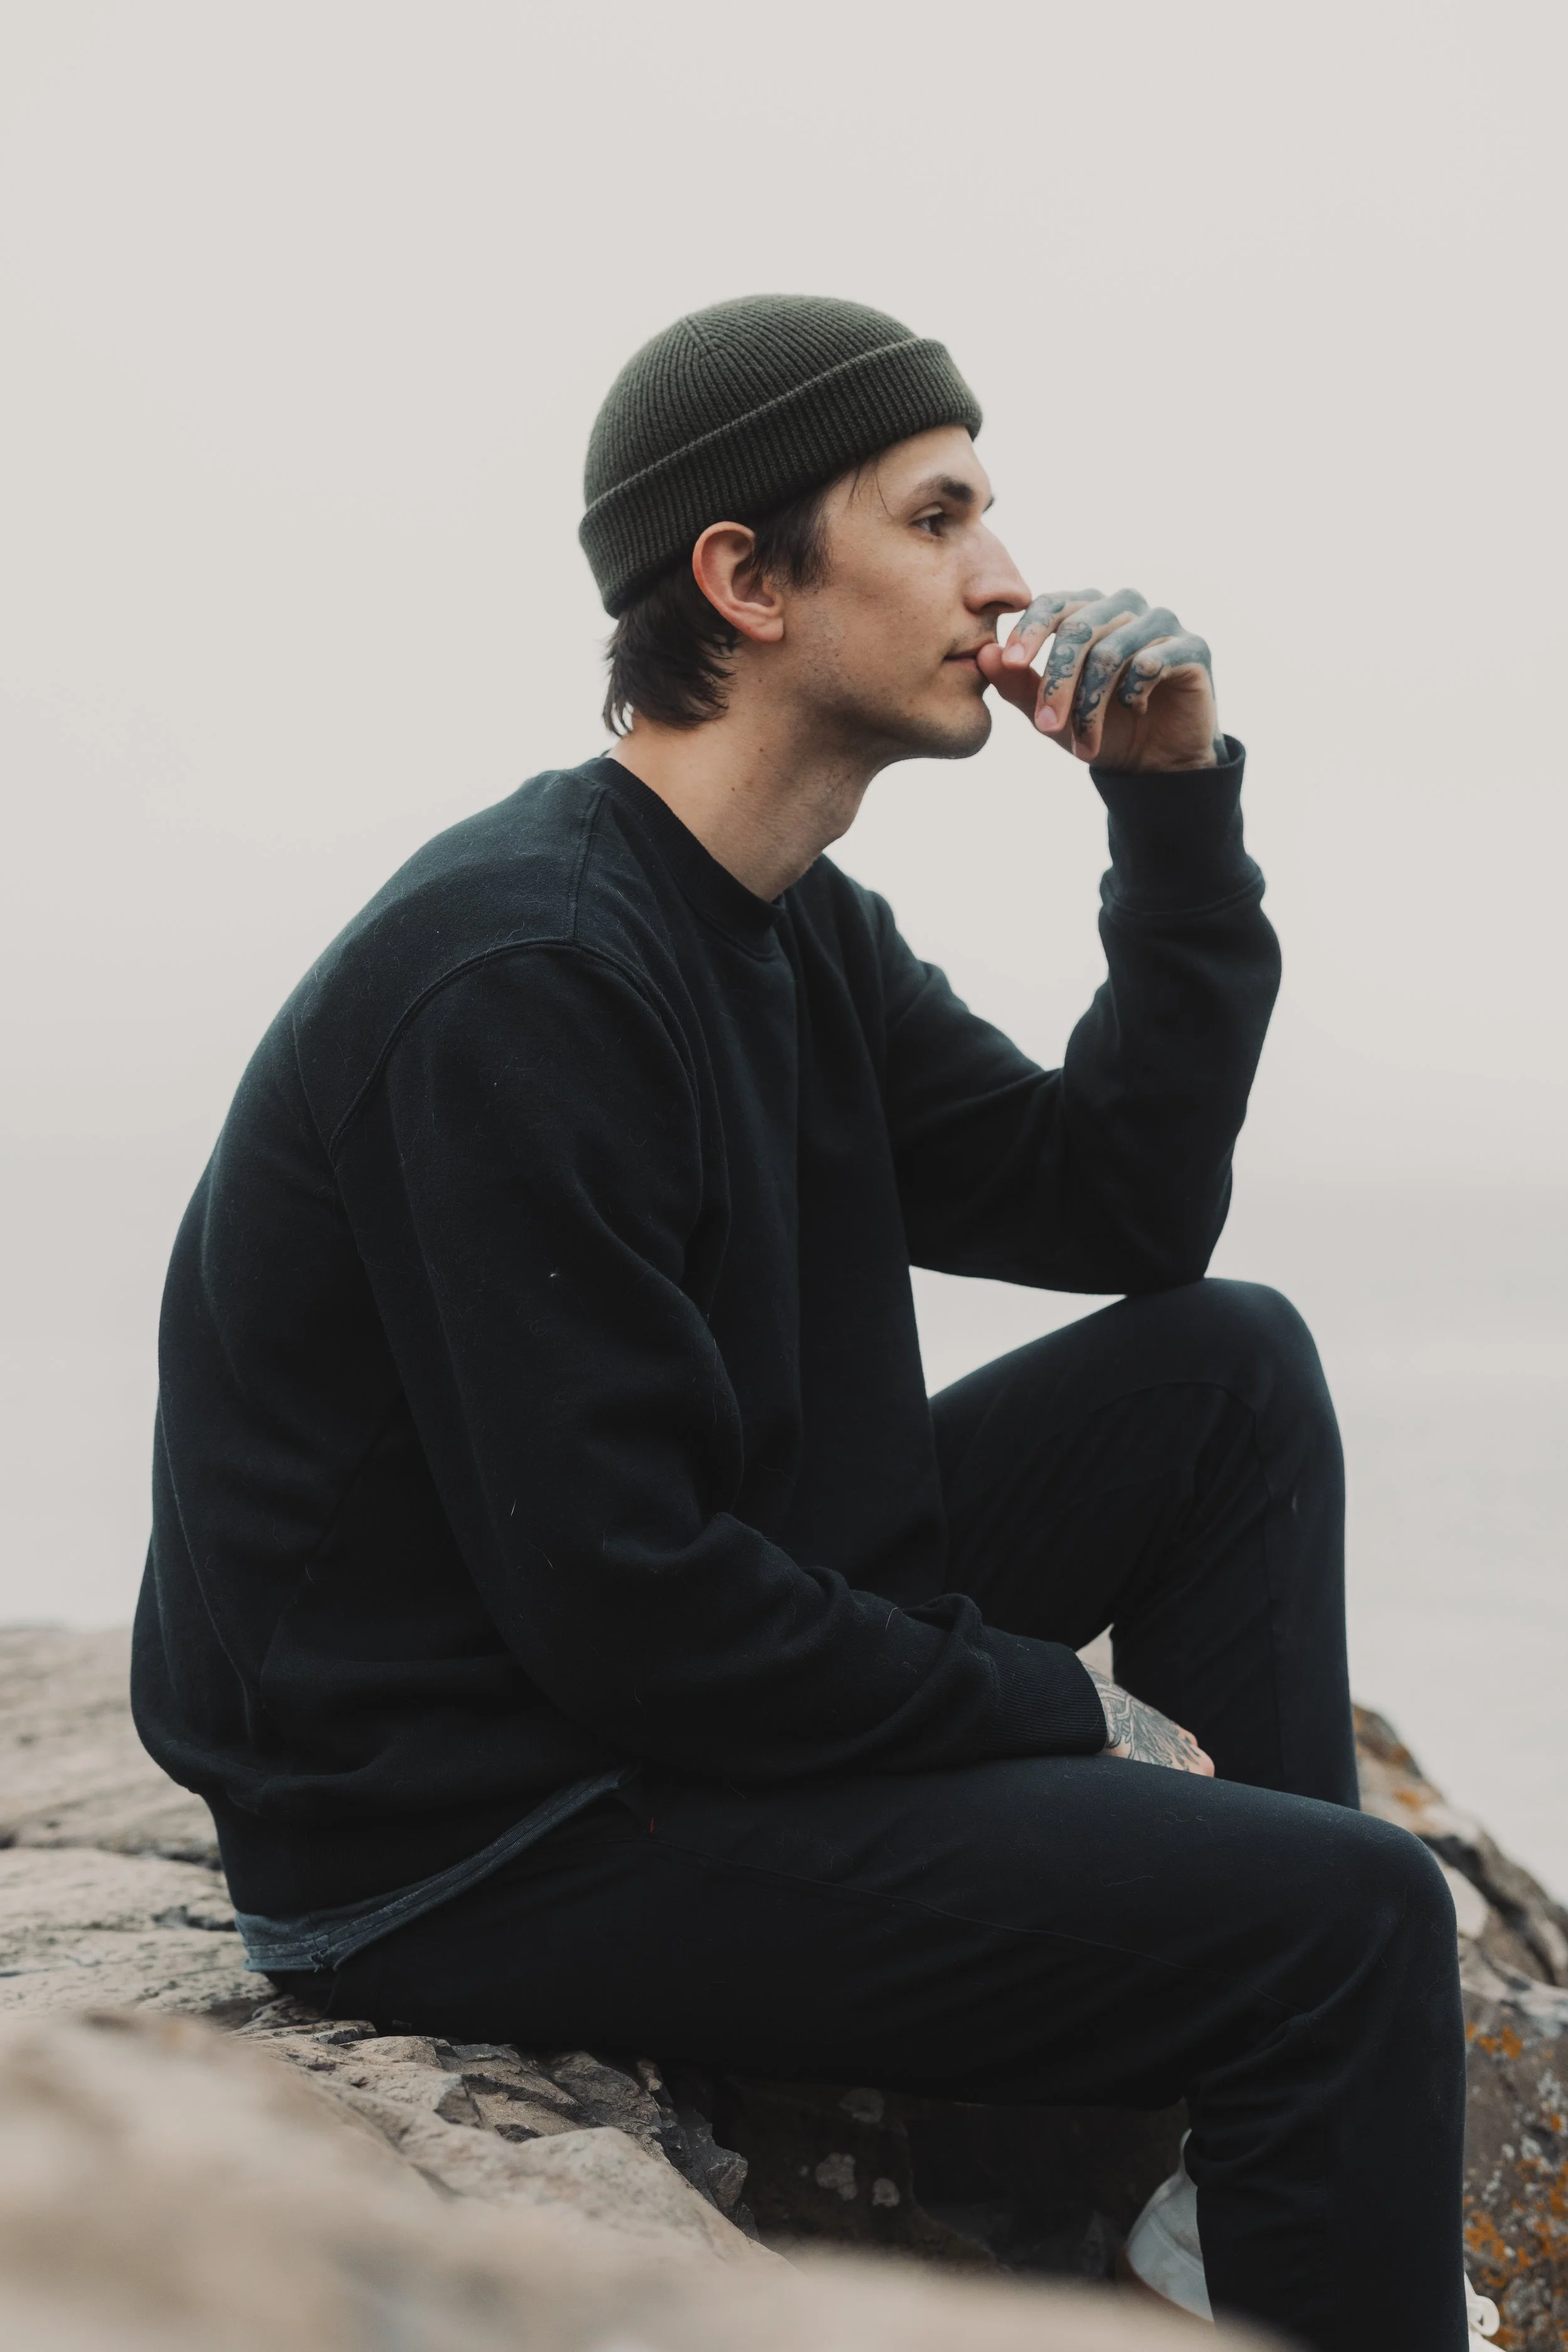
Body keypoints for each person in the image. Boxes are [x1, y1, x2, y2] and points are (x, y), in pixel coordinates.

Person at [132, 295, 1481, 2349]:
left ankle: (1229, 2149)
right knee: (1351, 1918)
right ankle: (1272, 2043)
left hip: (630, 1684)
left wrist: (1169, 809)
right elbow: (636, 1613)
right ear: (741, 580)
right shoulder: (522, 977)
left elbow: (1117, 1209)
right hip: (480, 1823)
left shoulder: (789, 931)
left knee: (1226, 1369)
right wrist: (1057, 1709)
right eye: (936, 516)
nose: (1009, 578)